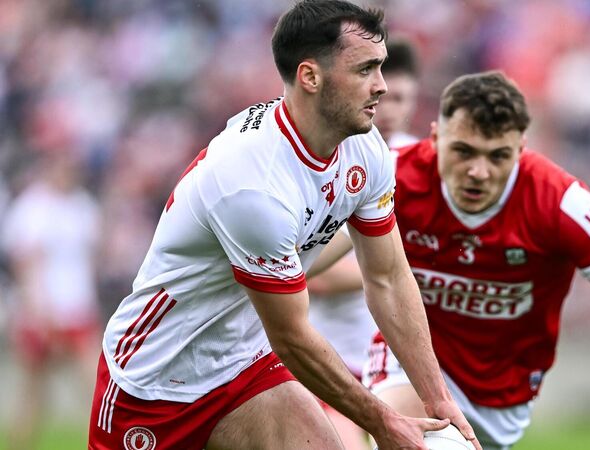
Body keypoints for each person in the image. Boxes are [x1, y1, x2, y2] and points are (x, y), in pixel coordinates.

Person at [87, 2, 481, 449]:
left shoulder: (365, 149)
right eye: (365, 70)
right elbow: (292, 336)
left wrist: (437, 399)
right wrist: (384, 421)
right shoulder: (253, 186)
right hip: (155, 383)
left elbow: (388, 278)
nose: (382, 86)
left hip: (245, 364)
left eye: (381, 67)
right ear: (310, 76)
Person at [340, 71, 590, 450]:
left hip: (501, 400)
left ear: (520, 150)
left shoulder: (561, 203)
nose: (478, 172)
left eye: (498, 156)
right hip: (410, 363)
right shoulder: (391, 173)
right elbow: (317, 251)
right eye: (463, 151)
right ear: (435, 138)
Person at [306, 37, 422, 450]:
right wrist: (394, 268)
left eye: (400, 99)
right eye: (383, 98)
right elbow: (312, 275)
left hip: (392, 365)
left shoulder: (424, 167)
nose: (389, 110)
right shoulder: (332, 162)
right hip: (331, 359)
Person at [2, 150, 102, 450]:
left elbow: (90, 260)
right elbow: (26, 265)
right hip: (44, 311)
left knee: (94, 381)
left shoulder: (82, 206)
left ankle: (102, 439)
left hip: (77, 309)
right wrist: (37, 310)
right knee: (34, 391)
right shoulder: (33, 207)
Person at [373, 38, 420, 149]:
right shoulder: (339, 152)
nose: (387, 111)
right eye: (377, 98)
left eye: (397, 99)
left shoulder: (420, 156)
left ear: (413, 101)